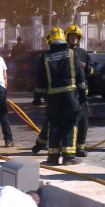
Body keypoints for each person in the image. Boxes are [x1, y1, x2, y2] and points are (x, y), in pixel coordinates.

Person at [34, 27, 87, 166]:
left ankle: (53, 157)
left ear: (50, 41)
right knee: (70, 124)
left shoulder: (44, 57)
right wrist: (83, 92)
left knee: (54, 125)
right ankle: (69, 157)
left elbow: (40, 79)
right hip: (70, 95)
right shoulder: (71, 53)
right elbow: (80, 75)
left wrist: (37, 96)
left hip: (53, 98)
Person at [65, 24, 93, 157]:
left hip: (81, 92)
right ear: (67, 37)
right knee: (68, 120)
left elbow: (92, 70)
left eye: (76, 36)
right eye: (72, 36)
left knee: (84, 118)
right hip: (67, 92)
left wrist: (86, 67)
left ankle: (80, 147)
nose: (74, 38)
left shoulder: (83, 53)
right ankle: (66, 146)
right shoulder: (64, 52)